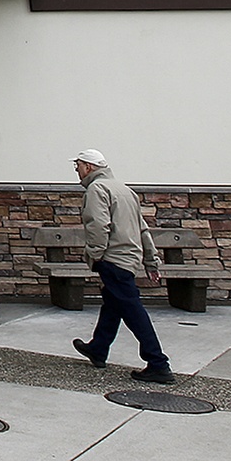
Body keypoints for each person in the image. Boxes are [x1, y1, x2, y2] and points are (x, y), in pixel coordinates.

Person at [70, 148, 176, 384]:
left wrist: (95, 256)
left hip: (113, 259)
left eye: (77, 165)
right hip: (129, 259)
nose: (76, 170)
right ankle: (98, 349)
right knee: (113, 303)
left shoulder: (98, 189)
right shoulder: (125, 190)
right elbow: (143, 229)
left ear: (88, 167)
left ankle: (158, 363)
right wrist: (150, 260)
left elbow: (98, 226)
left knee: (132, 309)